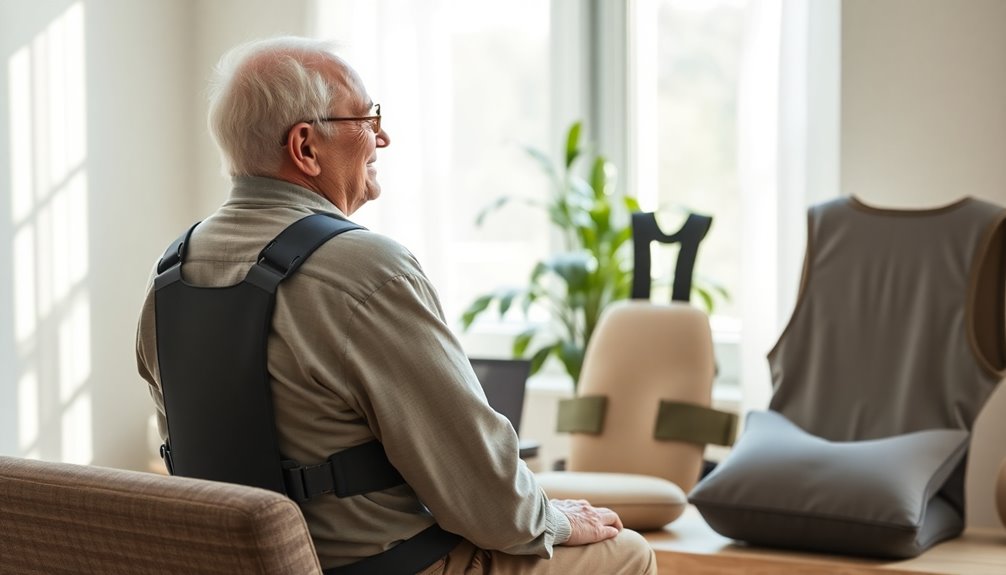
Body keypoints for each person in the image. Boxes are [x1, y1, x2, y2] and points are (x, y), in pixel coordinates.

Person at [135, 36, 656, 574]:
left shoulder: (170, 275)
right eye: (365, 117)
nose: (382, 135)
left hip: (240, 565)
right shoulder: (364, 268)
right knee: (626, 553)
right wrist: (556, 520)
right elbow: (487, 497)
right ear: (306, 147)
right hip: (391, 567)